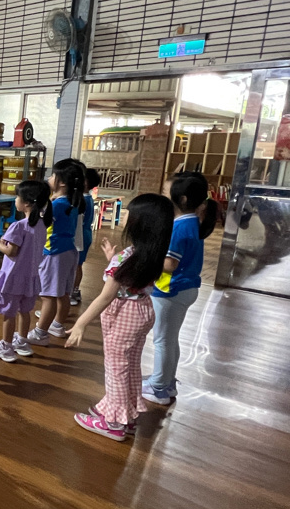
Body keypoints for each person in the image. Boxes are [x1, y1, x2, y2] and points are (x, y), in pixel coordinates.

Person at [66, 194, 174, 441]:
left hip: (124, 314)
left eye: (128, 212)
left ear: (139, 223)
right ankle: (127, 415)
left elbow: (106, 297)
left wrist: (80, 323)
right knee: (130, 365)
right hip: (142, 310)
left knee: (116, 368)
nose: (124, 214)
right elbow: (130, 278)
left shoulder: (127, 258)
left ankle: (113, 423)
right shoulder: (151, 252)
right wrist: (112, 260)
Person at [143, 172, 217, 405]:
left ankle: (158, 387)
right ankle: (166, 382)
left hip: (171, 290)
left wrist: (147, 256)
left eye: (165, 194)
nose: (163, 197)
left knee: (162, 340)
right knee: (169, 338)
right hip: (185, 289)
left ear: (182, 199)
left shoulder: (179, 227)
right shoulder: (193, 222)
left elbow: (169, 264)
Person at [0, 181, 52, 362]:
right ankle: (22, 341)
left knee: (9, 313)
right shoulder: (42, 225)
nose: (15, 200)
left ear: (26, 203)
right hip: (31, 276)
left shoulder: (19, 226)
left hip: (13, 276)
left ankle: (6, 347)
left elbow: (11, 251)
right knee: (24, 311)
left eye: (17, 196)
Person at [28, 161, 85, 346]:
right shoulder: (72, 201)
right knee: (62, 293)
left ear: (62, 182)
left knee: (48, 296)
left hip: (54, 253)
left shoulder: (57, 205)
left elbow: (41, 224)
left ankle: (40, 333)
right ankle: (57, 325)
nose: (50, 178)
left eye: (53, 175)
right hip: (68, 251)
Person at [71, 168, 102, 306]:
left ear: (85, 182)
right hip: (84, 234)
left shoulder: (83, 199)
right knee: (77, 264)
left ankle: (73, 291)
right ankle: (75, 290)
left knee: (76, 265)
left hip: (81, 236)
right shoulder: (86, 198)